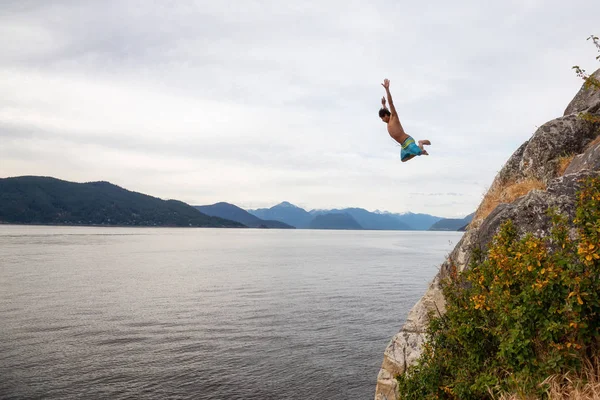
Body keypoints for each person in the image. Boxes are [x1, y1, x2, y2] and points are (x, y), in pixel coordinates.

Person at [379, 78, 431, 162]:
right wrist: (383, 105)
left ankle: (420, 143)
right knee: (403, 159)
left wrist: (387, 89)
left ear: (386, 115)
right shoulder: (388, 122)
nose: (382, 120)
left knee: (419, 152)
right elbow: (386, 110)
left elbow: (391, 103)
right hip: (403, 145)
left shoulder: (393, 117)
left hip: (408, 141)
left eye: (382, 118)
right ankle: (418, 151)